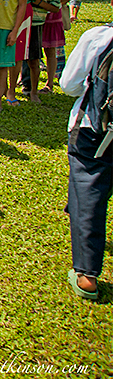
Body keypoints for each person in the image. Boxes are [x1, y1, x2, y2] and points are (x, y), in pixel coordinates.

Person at [60, 22, 113, 301]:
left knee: (89, 189)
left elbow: (69, 84)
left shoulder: (98, 38)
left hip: (96, 129)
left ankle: (87, 274)